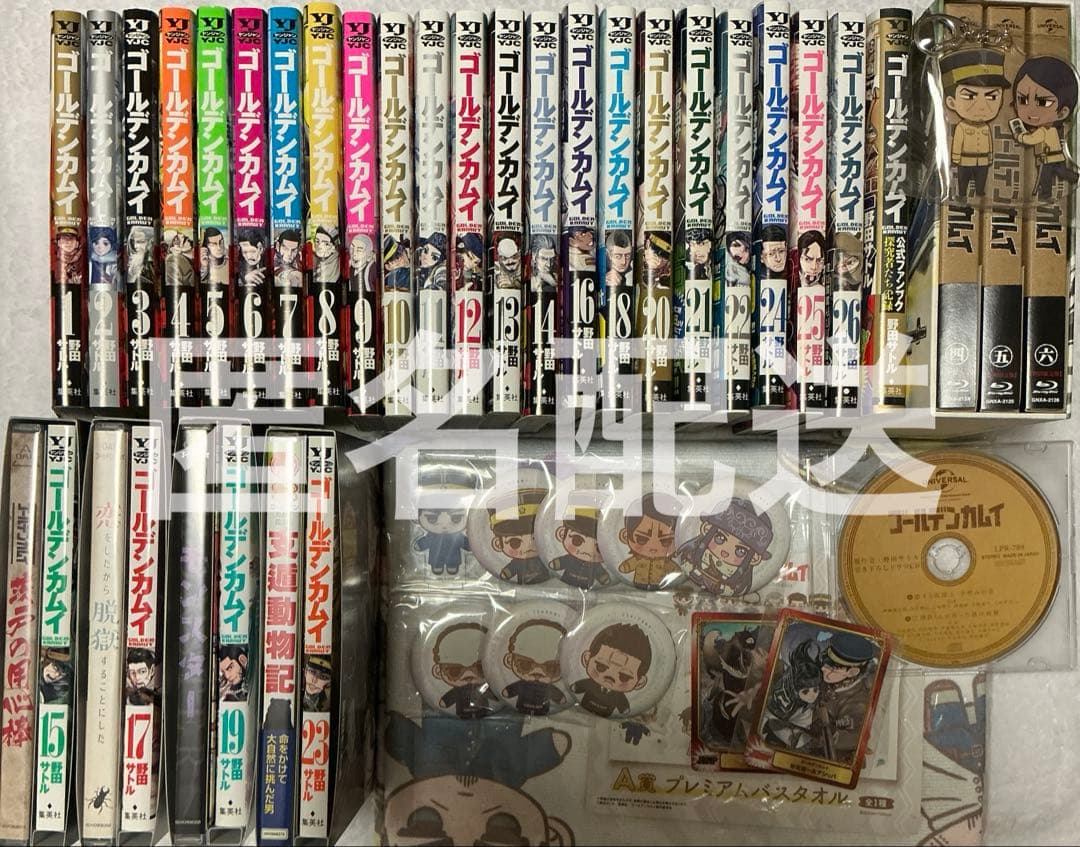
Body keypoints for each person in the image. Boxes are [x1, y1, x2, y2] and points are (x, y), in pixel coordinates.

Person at [383, 712, 574, 846]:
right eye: (496, 833)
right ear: (555, 836)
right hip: (501, 751)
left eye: (432, 827)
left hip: (441, 721)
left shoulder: (425, 764)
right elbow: (528, 754)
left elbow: (405, 740)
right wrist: (546, 748)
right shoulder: (511, 770)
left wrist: (397, 732)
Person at [941, 46, 1011, 197]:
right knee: (963, 180)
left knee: (981, 179)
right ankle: (962, 194)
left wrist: (990, 157)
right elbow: (957, 142)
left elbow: (989, 143)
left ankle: (980, 192)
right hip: (965, 161)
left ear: (1000, 101)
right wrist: (955, 159)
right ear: (951, 102)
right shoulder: (961, 127)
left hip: (983, 161)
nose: (981, 106)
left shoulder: (985, 127)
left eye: (992, 97)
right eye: (969, 96)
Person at [1011, 55, 1080, 201]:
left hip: (1048, 159)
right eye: (1023, 100)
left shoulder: (1043, 130)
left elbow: (1031, 139)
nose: (1030, 110)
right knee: (1060, 171)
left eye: (1043, 103)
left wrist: (1020, 136)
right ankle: (1073, 176)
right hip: (1057, 157)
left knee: (1045, 177)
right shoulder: (1052, 129)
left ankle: (1045, 194)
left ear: (1062, 112)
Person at [676, 497, 775, 597]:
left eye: (740, 550)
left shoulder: (737, 585)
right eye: (720, 538)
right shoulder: (687, 559)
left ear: (754, 558)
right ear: (706, 529)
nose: (725, 551)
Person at [817, 631, 878, 763]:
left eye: (833, 668)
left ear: (852, 672)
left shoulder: (857, 701)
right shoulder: (829, 681)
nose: (823, 669)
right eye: (825, 663)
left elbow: (855, 736)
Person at [570, 623, 652, 718]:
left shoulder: (618, 696)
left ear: (639, 683)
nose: (610, 676)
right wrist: (576, 687)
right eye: (601, 666)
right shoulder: (590, 684)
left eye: (624, 677)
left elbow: (622, 703)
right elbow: (582, 685)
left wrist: (624, 709)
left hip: (606, 715)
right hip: (583, 706)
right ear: (587, 659)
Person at [762, 639, 824, 752]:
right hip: (775, 722)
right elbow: (769, 718)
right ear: (795, 688)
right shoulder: (783, 699)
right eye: (806, 691)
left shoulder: (809, 702)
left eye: (815, 690)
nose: (812, 695)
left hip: (796, 718)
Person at [500, 619, 567, 716]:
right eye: (525, 665)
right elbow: (507, 692)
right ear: (509, 660)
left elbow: (561, 698)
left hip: (542, 710)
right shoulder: (522, 684)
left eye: (551, 668)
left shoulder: (547, 688)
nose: (538, 672)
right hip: (523, 708)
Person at [432, 622, 496, 719]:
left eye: (480, 668)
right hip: (461, 713)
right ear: (438, 671)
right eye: (455, 671)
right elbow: (444, 702)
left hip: (483, 710)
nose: (468, 674)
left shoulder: (486, 687)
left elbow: (499, 696)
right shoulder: (458, 692)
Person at [617, 493, 680, 590]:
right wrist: (625, 567)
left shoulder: (666, 563)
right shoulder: (637, 560)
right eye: (642, 539)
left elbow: (675, 570)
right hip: (639, 583)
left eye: (666, 541)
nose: (653, 547)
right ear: (625, 536)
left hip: (659, 585)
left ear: (679, 539)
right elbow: (627, 565)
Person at [489, 488, 549, 585]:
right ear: (498, 544)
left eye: (535, 539)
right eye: (515, 542)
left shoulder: (545, 557)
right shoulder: (517, 563)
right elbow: (510, 569)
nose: (528, 546)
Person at [548, 506, 609, 590]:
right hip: (566, 582)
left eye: (598, 548)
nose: (586, 551)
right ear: (562, 534)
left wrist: (603, 578)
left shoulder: (596, 566)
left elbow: (600, 572)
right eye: (577, 540)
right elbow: (562, 561)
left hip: (589, 587)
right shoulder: (570, 559)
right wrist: (556, 563)